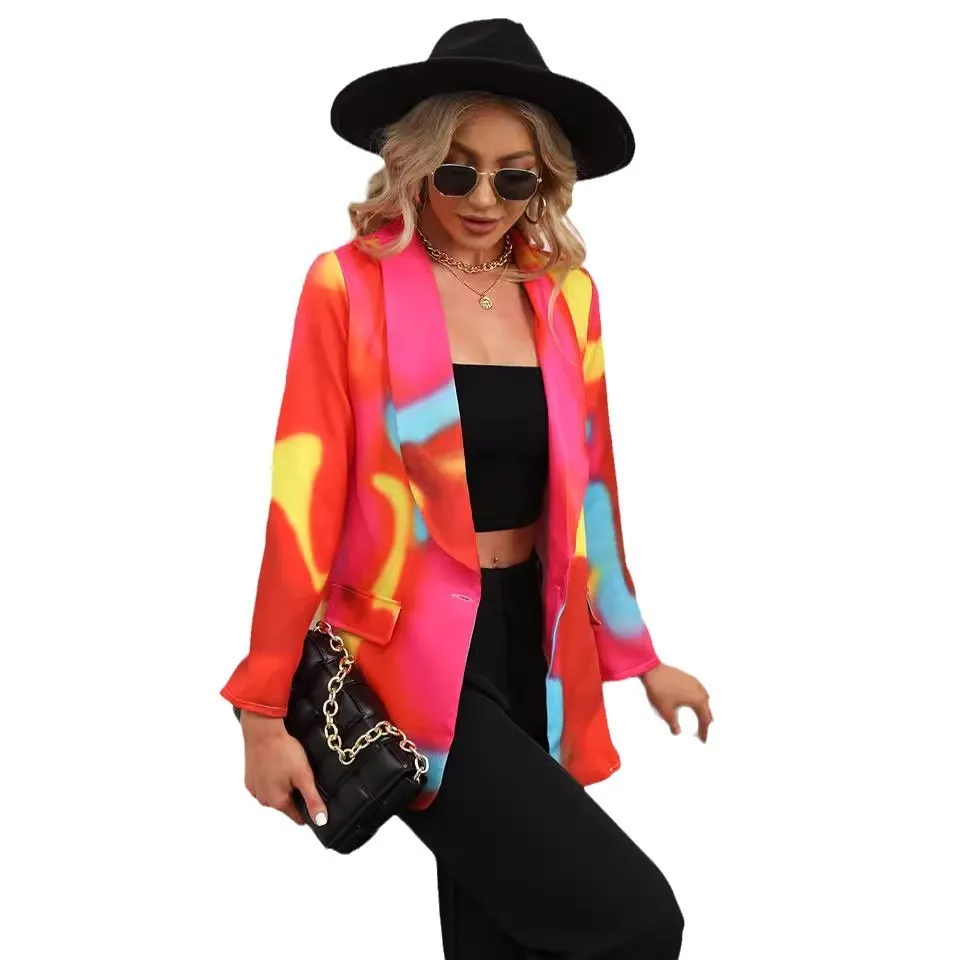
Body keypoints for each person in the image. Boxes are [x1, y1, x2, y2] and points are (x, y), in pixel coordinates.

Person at [221, 18, 713, 959]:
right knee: (635, 920)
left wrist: (639, 656)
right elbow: (301, 508)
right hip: (403, 655)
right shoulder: (349, 288)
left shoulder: (566, 295)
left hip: (537, 636)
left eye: (513, 177)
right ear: (415, 165)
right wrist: (262, 712)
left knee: (504, 937)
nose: (484, 199)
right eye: (458, 172)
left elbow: (592, 487)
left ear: (545, 180)